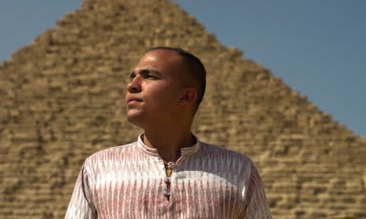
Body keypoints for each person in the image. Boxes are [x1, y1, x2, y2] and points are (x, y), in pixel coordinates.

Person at [65, 47, 272, 218]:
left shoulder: (238, 169)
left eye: (149, 77)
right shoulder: (98, 167)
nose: (132, 85)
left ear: (186, 97)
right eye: (132, 77)